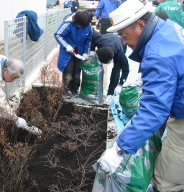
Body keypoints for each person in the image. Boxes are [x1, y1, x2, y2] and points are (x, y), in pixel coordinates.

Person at [97, 0, 184, 191]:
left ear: (141, 24)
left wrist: (120, 149)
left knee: (168, 179)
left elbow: (155, 109)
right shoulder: (168, 27)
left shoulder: (158, 55)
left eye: (124, 36)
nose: (125, 43)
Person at [54, 11, 92, 98]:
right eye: (79, 25)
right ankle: (65, 90)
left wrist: (86, 52)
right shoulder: (68, 24)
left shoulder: (88, 26)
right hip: (68, 52)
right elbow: (58, 34)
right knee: (68, 72)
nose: (80, 27)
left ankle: (74, 90)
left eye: (82, 26)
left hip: (80, 53)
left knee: (77, 73)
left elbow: (88, 40)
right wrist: (66, 45)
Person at [90, 30, 129, 102]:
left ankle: (110, 93)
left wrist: (120, 84)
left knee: (116, 70)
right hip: (107, 39)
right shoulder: (99, 40)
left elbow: (126, 69)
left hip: (120, 42)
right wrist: (92, 50)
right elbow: (92, 34)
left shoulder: (120, 54)